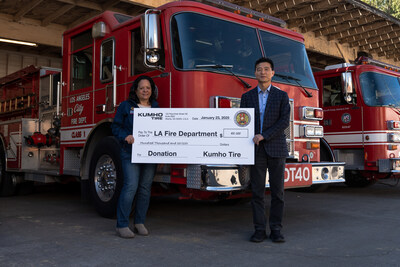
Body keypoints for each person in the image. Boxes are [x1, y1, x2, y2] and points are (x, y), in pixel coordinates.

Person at [240, 57, 290, 243]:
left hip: (276, 149)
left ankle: (276, 229)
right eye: (259, 69)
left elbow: (284, 122)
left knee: (278, 193)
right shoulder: (247, 97)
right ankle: (259, 230)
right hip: (256, 150)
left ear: (272, 73)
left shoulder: (281, 96)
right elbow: (242, 122)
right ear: (255, 73)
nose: (263, 72)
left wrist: (264, 135)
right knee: (257, 192)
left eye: (266, 69)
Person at [111, 75, 159, 239]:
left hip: (150, 155)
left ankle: (139, 222)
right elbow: (115, 127)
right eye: (142, 88)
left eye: (148, 88)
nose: (145, 90)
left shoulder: (157, 108)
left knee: (145, 189)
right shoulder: (126, 106)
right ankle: (122, 224)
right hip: (130, 152)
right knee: (131, 186)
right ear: (136, 90)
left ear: (152, 91)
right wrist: (126, 136)